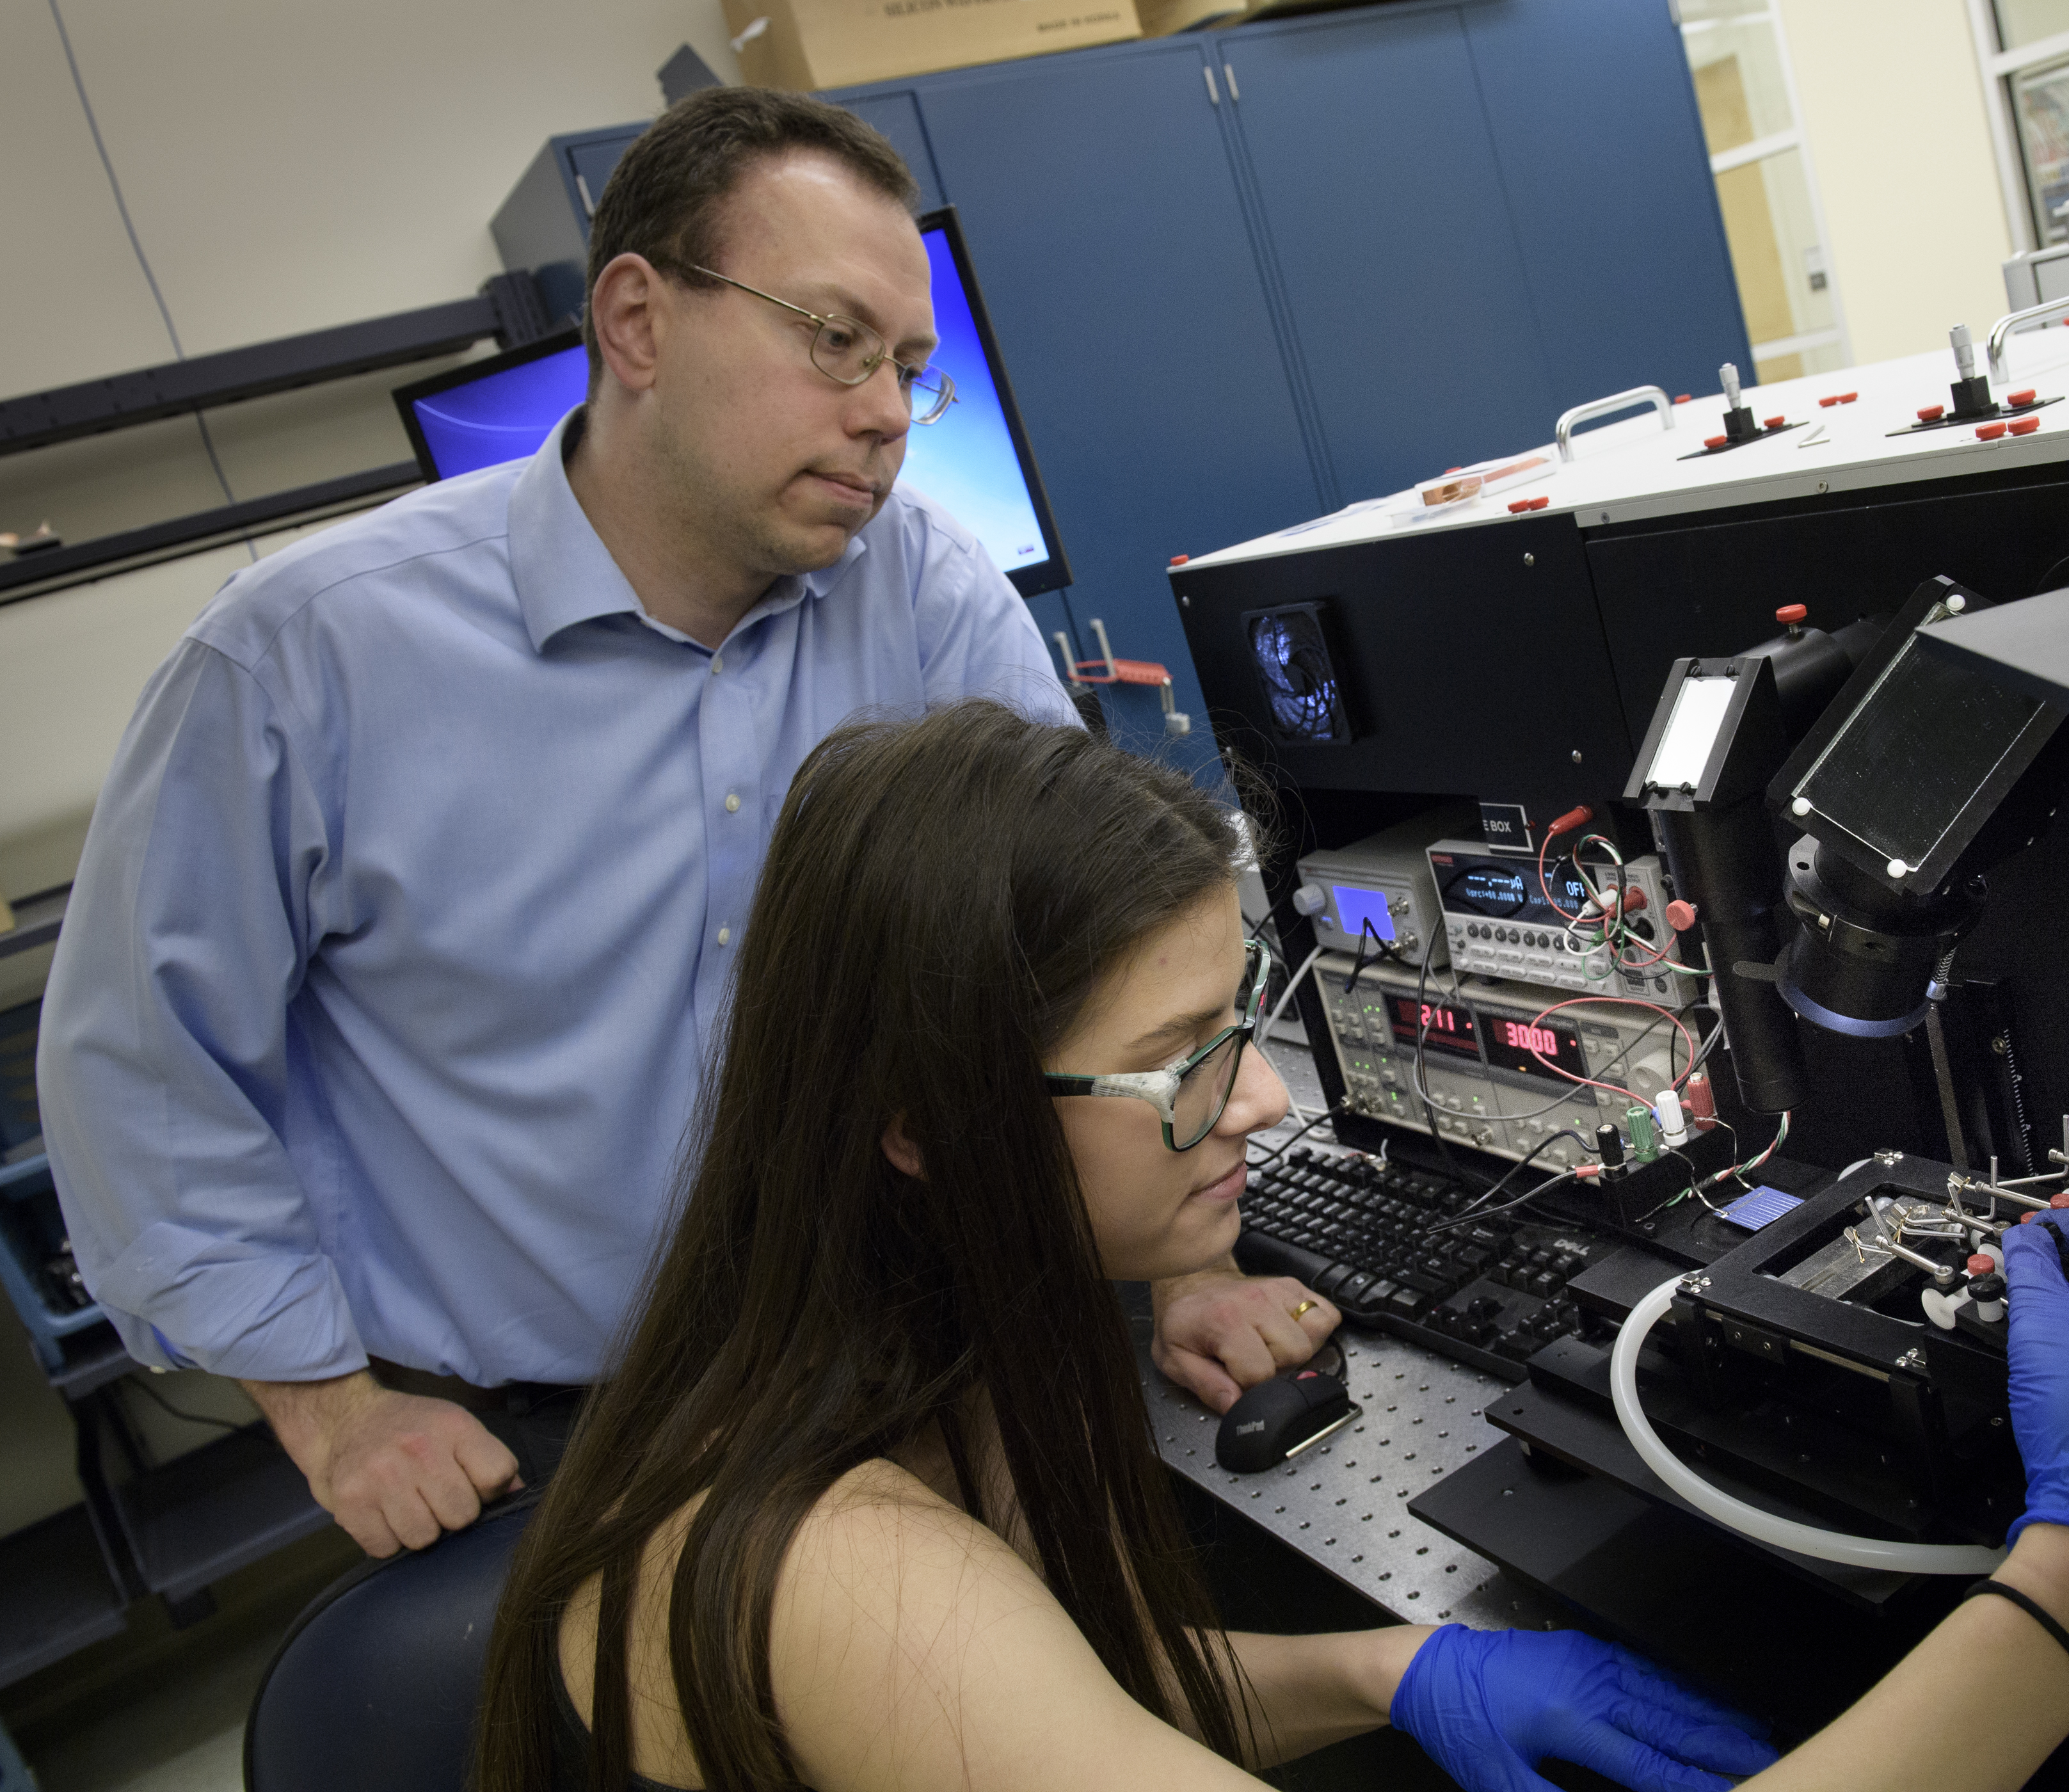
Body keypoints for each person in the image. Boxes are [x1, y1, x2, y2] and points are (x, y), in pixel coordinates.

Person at [472, 702, 2069, 1792]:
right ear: (927, 1125)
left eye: (1241, 1024)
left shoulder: (934, 1361)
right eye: (1185, 1063)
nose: (1260, 1102)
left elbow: (1063, 1710)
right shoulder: (833, 1570)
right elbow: (957, 1686)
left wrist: (1388, 1672)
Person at [33, 88, 1329, 1564]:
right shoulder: (300, 660)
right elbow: (141, 1074)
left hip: (904, 1354)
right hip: (552, 1434)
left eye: (913, 366)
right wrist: (332, 1410)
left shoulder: (925, 586)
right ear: (637, 323)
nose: (891, 412)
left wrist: (1186, 1272)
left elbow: (1089, 973)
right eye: (836, 340)